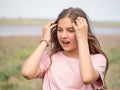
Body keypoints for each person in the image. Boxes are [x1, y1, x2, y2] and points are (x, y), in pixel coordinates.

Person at [22, 7, 108, 90]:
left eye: (70, 30)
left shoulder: (97, 59)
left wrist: (82, 39)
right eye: (60, 30)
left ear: (82, 32)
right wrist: (45, 40)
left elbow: (87, 77)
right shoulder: (50, 57)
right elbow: (27, 72)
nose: (63, 36)